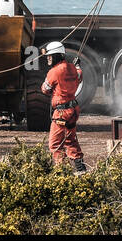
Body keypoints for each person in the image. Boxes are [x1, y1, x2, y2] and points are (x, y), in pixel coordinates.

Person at [40, 41, 86, 172]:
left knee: (55, 144)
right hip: (73, 111)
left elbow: (45, 89)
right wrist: (77, 66)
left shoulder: (54, 72)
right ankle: (80, 169)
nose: (48, 58)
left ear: (57, 56)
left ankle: (62, 172)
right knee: (70, 140)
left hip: (61, 113)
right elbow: (79, 75)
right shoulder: (73, 69)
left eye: (50, 56)